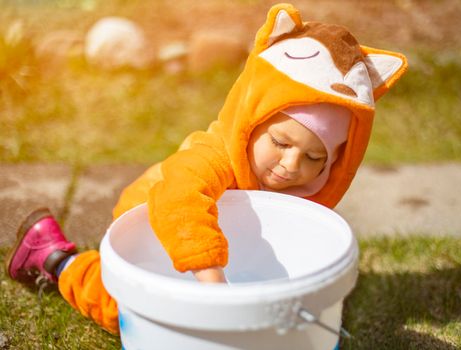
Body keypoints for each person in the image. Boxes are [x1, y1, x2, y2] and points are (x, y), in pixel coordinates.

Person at [5, 3, 407, 335]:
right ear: (249, 125)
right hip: (156, 221)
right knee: (122, 311)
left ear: (337, 161)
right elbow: (180, 202)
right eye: (280, 143)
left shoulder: (299, 184)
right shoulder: (212, 156)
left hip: (220, 236)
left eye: (314, 158)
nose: (290, 165)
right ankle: (57, 258)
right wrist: (215, 290)